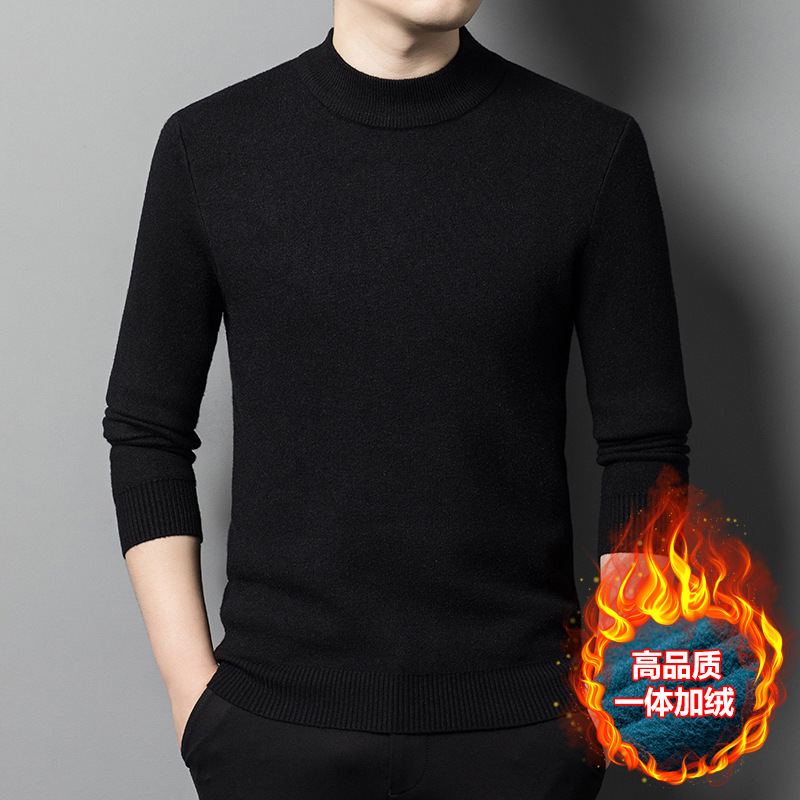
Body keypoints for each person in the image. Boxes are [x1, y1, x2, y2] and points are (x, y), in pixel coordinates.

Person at [102, 0, 692, 797]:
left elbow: (643, 445)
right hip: (272, 733)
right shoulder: (209, 146)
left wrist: (613, 690)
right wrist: (191, 694)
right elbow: (147, 429)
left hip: (528, 734)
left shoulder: (591, 148)